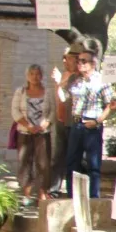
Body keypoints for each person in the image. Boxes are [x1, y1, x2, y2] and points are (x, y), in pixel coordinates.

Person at [63, 49, 110, 197]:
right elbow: (64, 96)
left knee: (93, 164)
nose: (80, 64)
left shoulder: (102, 80)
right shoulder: (76, 80)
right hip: (76, 124)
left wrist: (97, 121)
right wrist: (62, 81)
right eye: (78, 61)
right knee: (71, 162)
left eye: (84, 61)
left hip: (92, 125)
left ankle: (94, 198)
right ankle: (72, 196)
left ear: (93, 63)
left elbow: (110, 105)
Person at [10, 64, 53, 204]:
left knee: (43, 163)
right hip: (25, 131)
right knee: (24, 162)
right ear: (27, 76)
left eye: (38, 74)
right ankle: (26, 194)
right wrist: (28, 126)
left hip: (42, 132)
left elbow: (53, 111)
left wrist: (46, 123)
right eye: (32, 74)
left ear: (42, 75)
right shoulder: (20, 92)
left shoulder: (47, 92)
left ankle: (42, 192)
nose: (35, 77)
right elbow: (15, 111)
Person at [49, 46, 82, 196]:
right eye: (64, 57)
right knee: (58, 156)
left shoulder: (77, 77)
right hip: (61, 120)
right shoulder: (64, 75)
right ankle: (54, 189)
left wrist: (58, 83)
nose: (64, 60)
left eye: (67, 57)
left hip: (73, 122)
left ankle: (72, 191)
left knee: (72, 157)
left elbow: (67, 95)